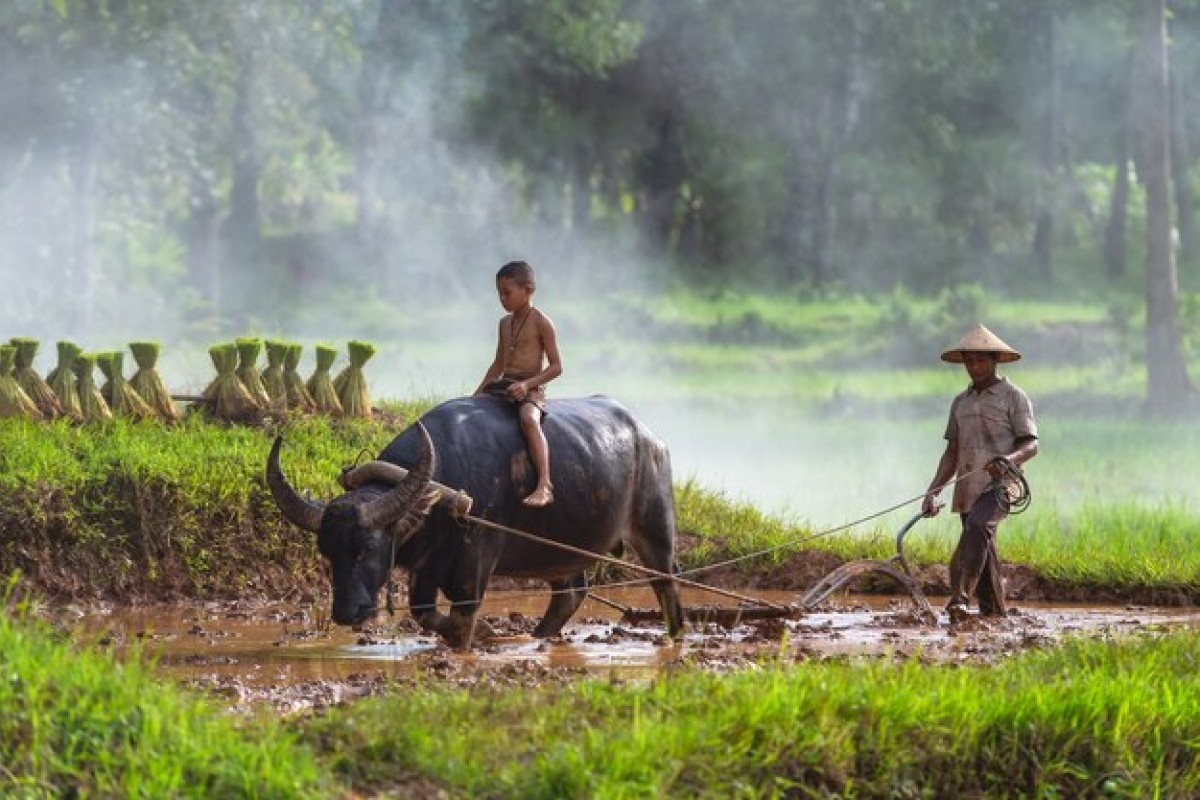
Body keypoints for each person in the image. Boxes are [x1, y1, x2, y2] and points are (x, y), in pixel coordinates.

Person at [921, 323, 1039, 623]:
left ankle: (960, 597)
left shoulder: (1014, 397)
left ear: (995, 360)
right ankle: (995, 616)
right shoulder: (960, 403)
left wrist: (1008, 460)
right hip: (967, 485)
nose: (974, 366)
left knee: (976, 529)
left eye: (981, 360)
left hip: (1001, 484)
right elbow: (952, 452)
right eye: (969, 361)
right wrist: (933, 490)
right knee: (982, 549)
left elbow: (1031, 444)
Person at [475, 260, 563, 507]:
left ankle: (545, 484)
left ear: (528, 290)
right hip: (505, 385)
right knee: (472, 411)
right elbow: (498, 365)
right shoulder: (504, 323)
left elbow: (557, 366)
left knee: (528, 419)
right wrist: (477, 393)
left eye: (507, 292)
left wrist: (527, 386)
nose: (503, 299)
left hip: (530, 388)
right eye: (499, 293)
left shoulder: (542, 322)